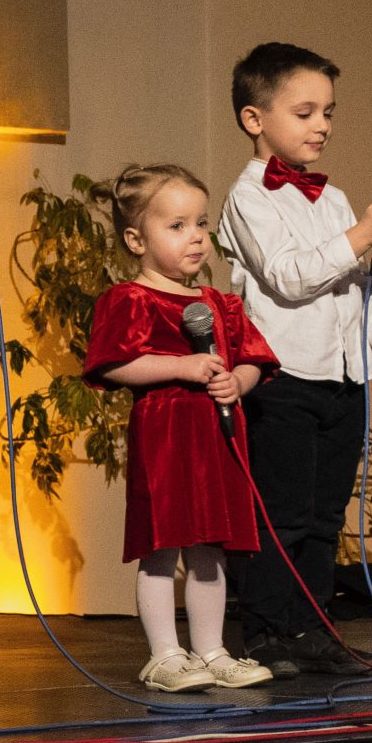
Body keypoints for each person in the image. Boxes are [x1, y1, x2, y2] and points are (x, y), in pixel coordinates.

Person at [213, 42, 372, 676]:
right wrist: (364, 234)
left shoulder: (333, 199)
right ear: (254, 118)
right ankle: (266, 632)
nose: (321, 125)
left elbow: (353, 280)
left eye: (328, 112)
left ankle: (313, 627)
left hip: (341, 375)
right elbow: (290, 276)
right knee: (283, 515)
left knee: (326, 516)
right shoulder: (250, 197)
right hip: (283, 377)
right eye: (304, 113)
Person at [83, 164, 282, 691]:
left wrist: (238, 382)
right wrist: (182, 366)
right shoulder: (130, 299)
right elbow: (113, 363)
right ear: (136, 240)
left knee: (210, 549)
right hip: (167, 440)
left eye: (201, 223)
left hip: (217, 438)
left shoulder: (219, 304)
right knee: (162, 545)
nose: (195, 236)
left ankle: (212, 650)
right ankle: (165, 655)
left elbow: (254, 358)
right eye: (176, 226)